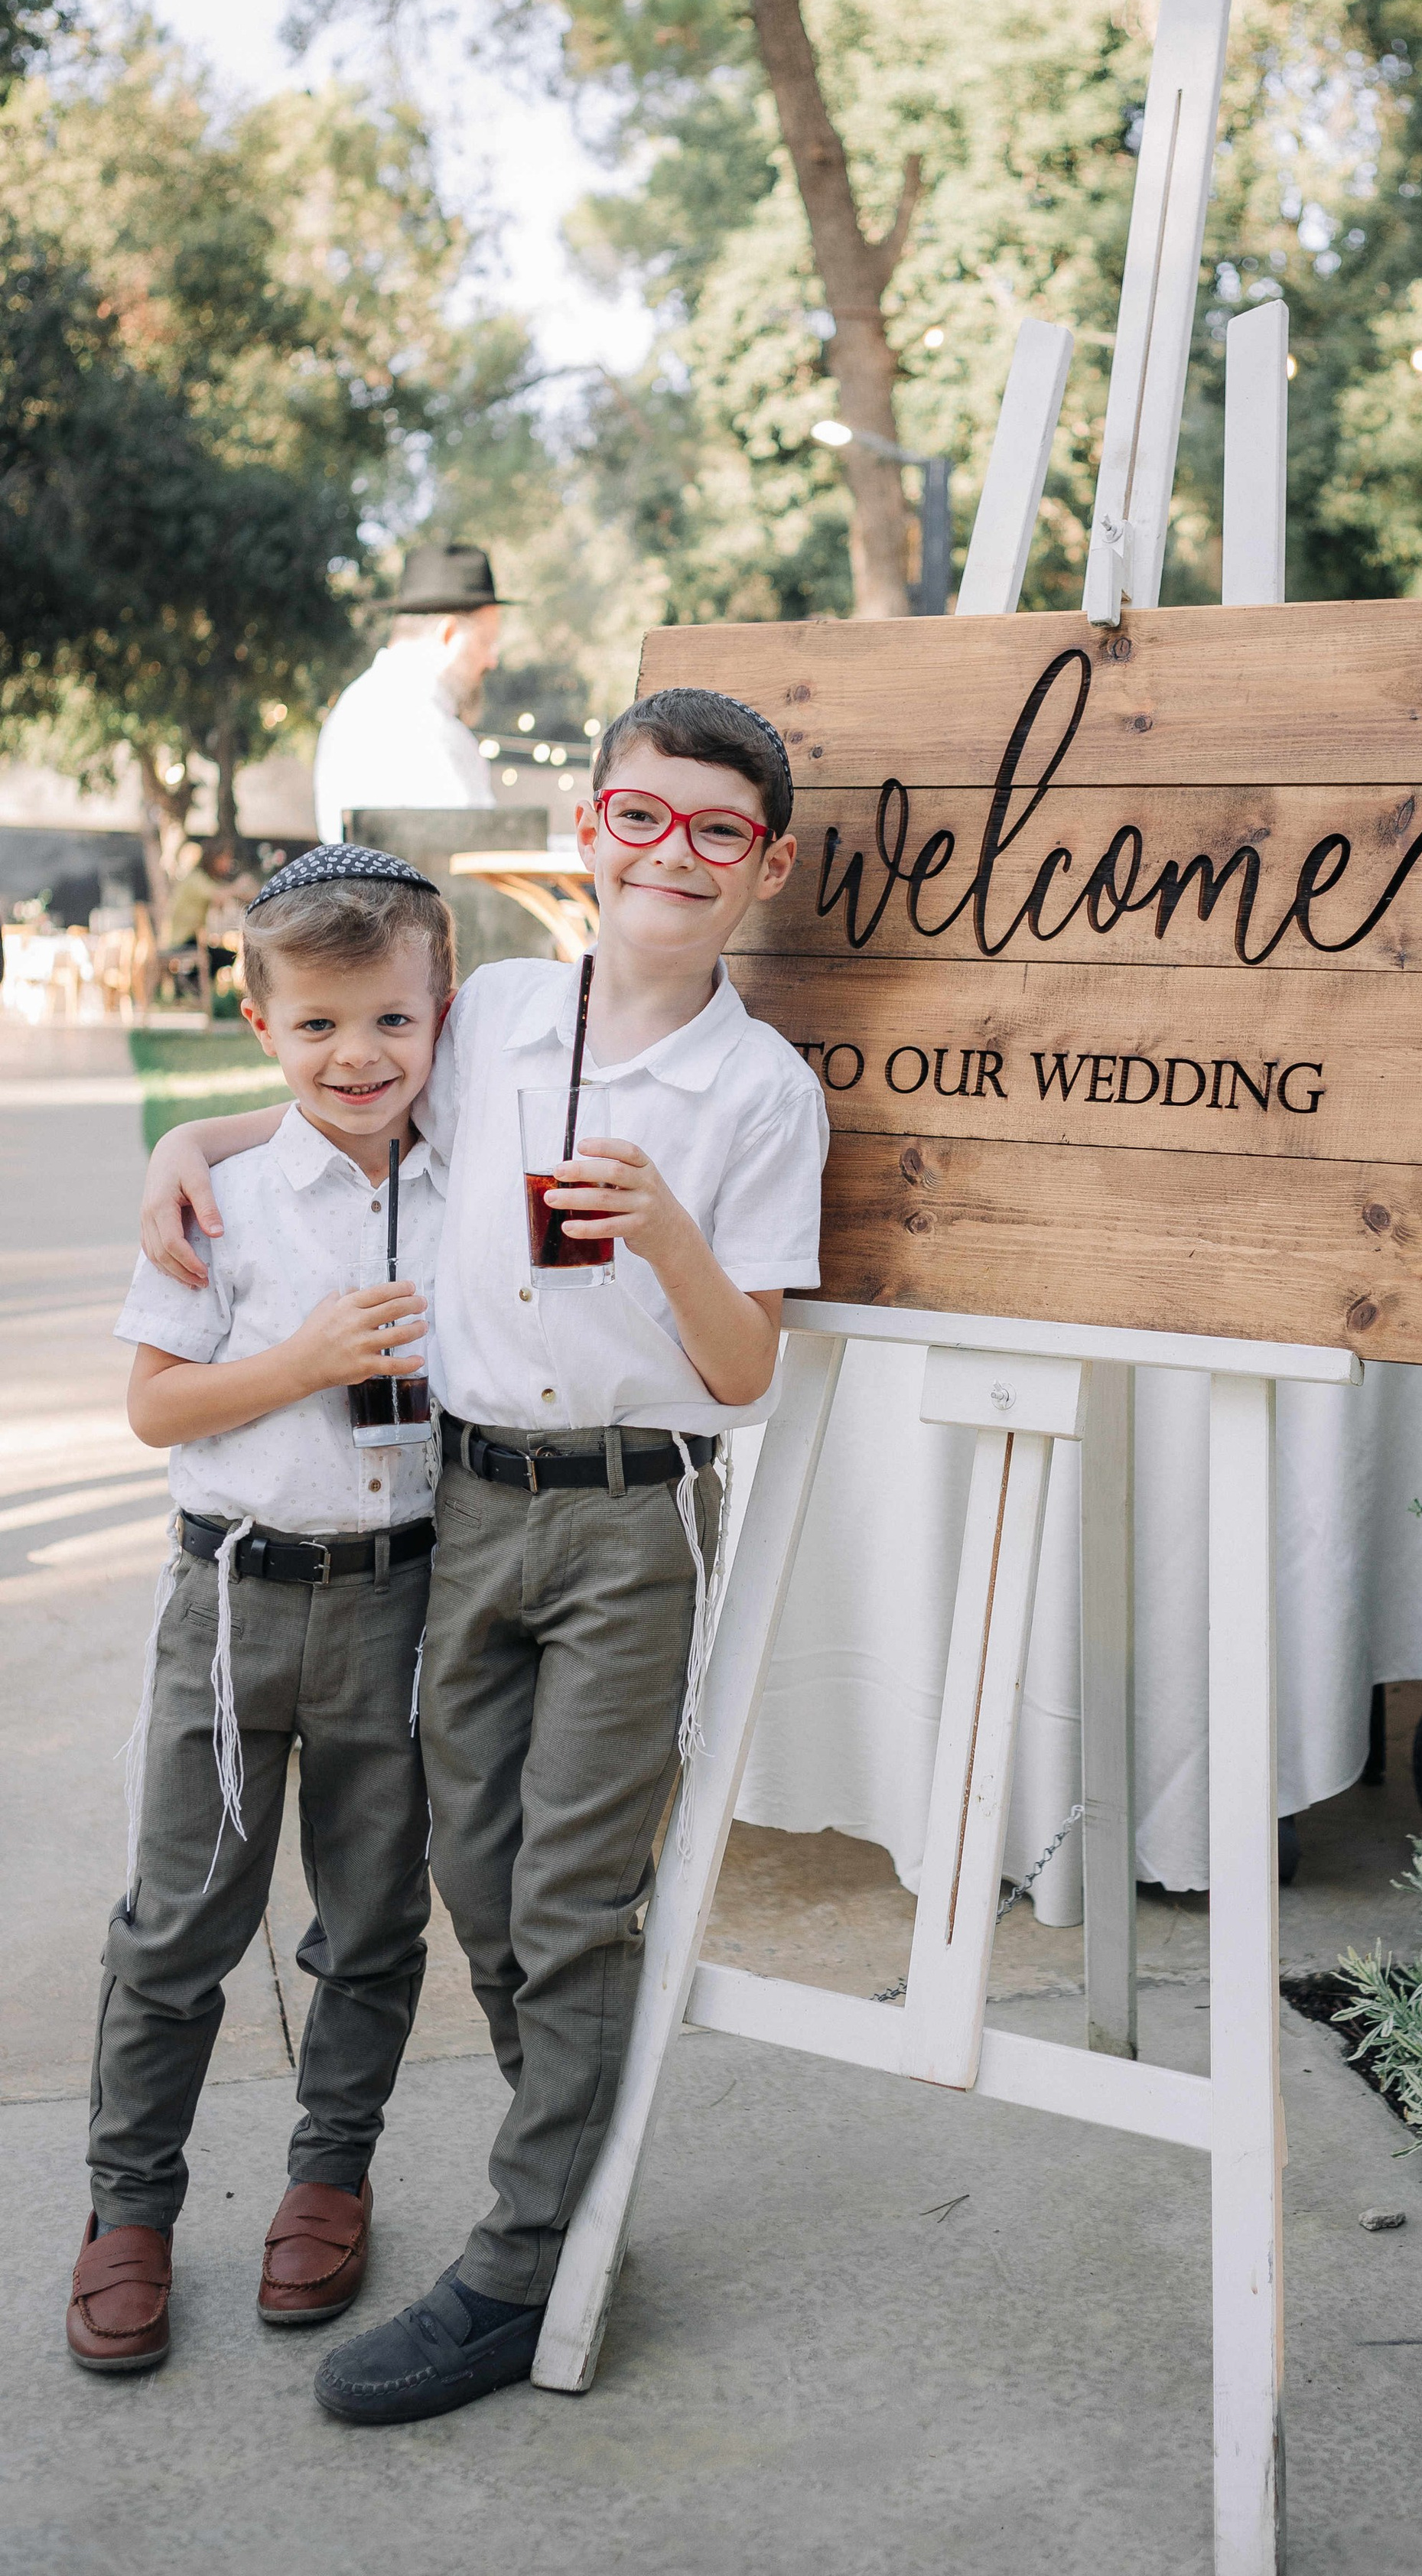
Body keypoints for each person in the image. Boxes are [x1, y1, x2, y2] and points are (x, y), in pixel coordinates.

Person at [136, 690, 827, 2422]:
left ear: (766, 864)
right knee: (479, 1880)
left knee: (572, 1895)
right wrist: (188, 1137)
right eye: (641, 813)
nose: (671, 850)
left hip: (627, 1511)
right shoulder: (508, 1007)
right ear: (591, 826)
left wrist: (664, 1230)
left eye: (715, 829)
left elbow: (747, 1373)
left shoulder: (759, 1088)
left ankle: (518, 2267)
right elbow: (342, 1090)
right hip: (467, 1501)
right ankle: (576, 2193)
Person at [67, 847, 451, 2376]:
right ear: (261, 1023)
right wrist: (298, 1360)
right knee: (179, 1927)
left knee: (368, 1927)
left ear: (440, 1021)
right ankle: (127, 2212)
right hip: (234, 1607)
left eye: (391, 1023)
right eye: (316, 1028)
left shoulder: (468, 1172)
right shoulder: (219, 1198)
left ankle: (327, 2179)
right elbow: (156, 1409)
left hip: (403, 1604)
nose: (355, 1056)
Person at [311, 541, 513, 844]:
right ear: (448, 635)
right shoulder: (421, 724)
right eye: (485, 641)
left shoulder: (359, 702)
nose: (492, 660)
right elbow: (474, 853)